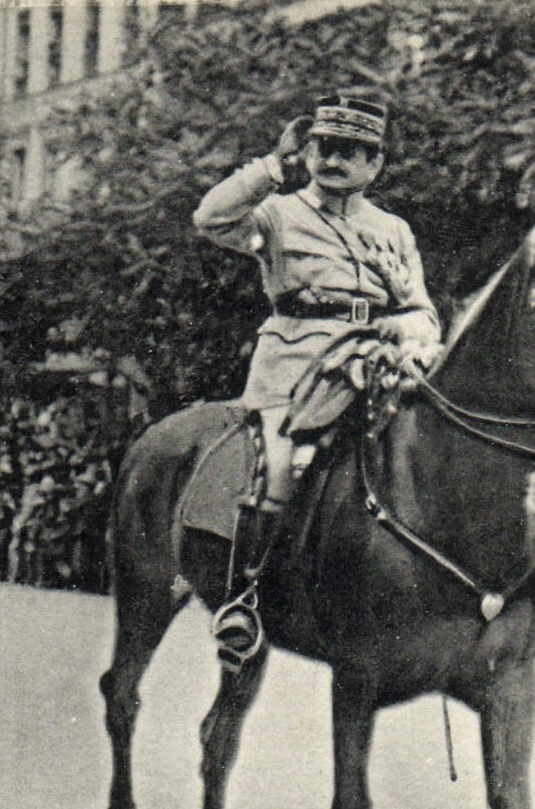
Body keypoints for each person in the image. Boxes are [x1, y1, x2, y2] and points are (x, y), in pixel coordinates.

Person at [192, 93, 442, 664]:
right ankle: (245, 599)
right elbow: (210, 219)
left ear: (375, 165)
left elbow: (421, 309)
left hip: (374, 367)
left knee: (428, 457)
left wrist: (411, 338)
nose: (336, 161)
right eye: (325, 148)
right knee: (280, 463)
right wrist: (270, 168)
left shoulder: (394, 231)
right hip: (295, 371)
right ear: (308, 152)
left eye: (353, 152)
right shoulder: (277, 214)